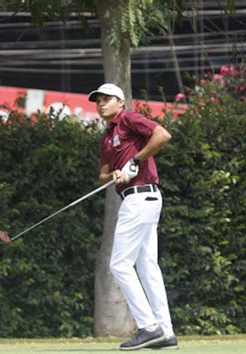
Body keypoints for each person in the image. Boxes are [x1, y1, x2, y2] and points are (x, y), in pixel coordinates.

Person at [88, 83, 177, 351]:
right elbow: (103, 174)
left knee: (119, 265)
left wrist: (136, 161)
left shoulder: (129, 119)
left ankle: (149, 327)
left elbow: (162, 135)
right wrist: (114, 174)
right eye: (98, 100)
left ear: (120, 102)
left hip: (141, 197)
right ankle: (166, 332)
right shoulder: (107, 137)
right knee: (147, 266)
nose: (101, 104)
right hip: (138, 199)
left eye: (107, 99)